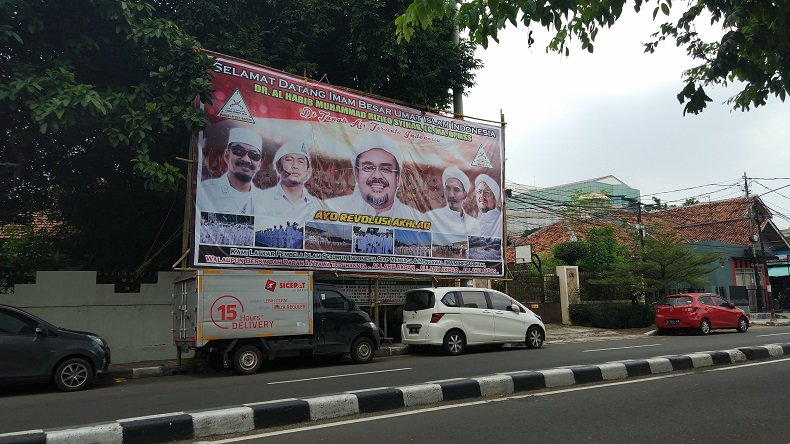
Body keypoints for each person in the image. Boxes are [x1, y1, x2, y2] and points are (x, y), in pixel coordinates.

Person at [325, 132, 421, 221]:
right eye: (368, 168)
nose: (377, 176)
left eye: (385, 169)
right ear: (356, 174)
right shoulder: (332, 209)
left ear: (398, 177)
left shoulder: (415, 219)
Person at [197, 126, 264, 215]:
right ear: (227, 156)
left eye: (254, 155)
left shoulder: (265, 199)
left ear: (259, 164)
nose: (246, 159)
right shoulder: (205, 191)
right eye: (239, 151)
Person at [253, 140, 321, 222]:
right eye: (289, 160)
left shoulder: (316, 206)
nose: (295, 166)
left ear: (308, 170)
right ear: (278, 166)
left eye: (301, 161)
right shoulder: (258, 200)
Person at [425, 166, 480, 236]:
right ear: (444, 191)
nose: (451, 195)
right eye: (448, 188)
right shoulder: (432, 217)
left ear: (464, 195)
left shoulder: (473, 224)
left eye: (456, 190)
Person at [474, 174, 503, 238]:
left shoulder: (500, 220)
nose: (482, 196)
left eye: (487, 192)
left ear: (495, 198)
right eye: (479, 192)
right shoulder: (473, 221)